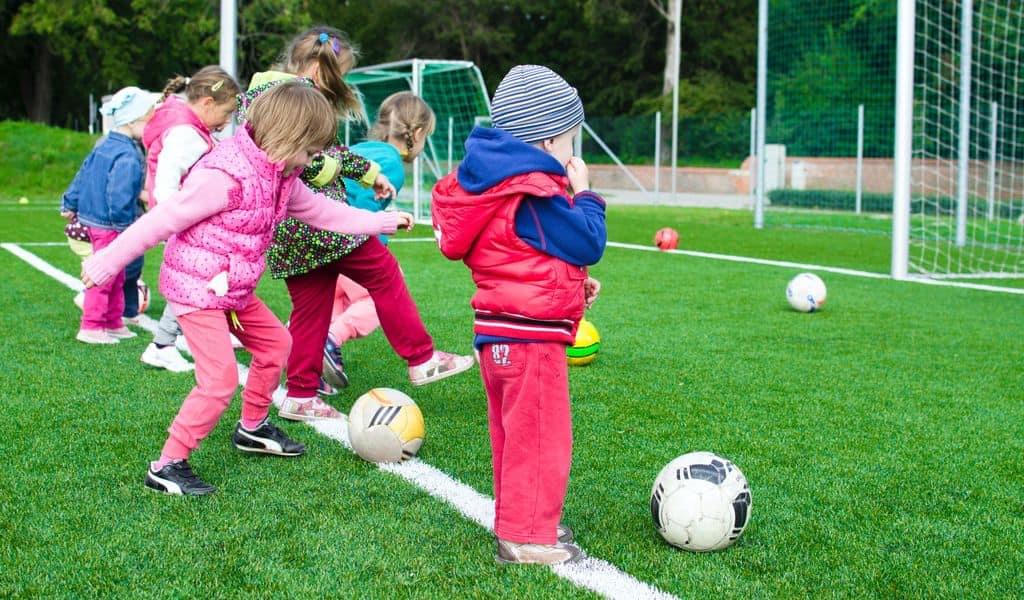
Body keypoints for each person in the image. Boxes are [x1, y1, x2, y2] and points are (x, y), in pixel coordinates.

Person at [80, 82, 414, 496]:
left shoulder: (282, 174)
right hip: (197, 289)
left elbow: (320, 211)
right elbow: (161, 220)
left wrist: (379, 222)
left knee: (277, 345)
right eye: (310, 152)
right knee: (219, 380)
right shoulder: (223, 176)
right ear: (288, 138)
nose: (313, 162)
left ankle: (252, 428)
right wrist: (106, 262)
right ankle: (166, 465)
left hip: (233, 289)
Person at [240, 26, 473, 421]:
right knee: (384, 274)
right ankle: (421, 358)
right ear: (318, 68)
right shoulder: (293, 97)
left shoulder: (267, 91)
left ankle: (299, 394)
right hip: (320, 224)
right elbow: (305, 160)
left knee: (311, 310)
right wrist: (343, 178)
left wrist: (369, 174)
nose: (340, 84)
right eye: (339, 75)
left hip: (289, 232)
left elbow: (329, 150)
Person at [431, 65, 607, 565]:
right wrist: (587, 194)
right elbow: (587, 240)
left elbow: (520, 255)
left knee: (514, 436)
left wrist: (572, 286)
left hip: (501, 333)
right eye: (572, 139)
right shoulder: (533, 191)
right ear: (548, 139)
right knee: (540, 437)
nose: (574, 152)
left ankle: (521, 520)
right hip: (529, 341)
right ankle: (527, 537)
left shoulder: (496, 186)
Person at [321, 91, 437, 390]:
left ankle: (302, 352)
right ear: (419, 133)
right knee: (378, 296)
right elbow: (362, 205)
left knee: (331, 302)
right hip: (349, 242)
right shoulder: (393, 165)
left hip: (320, 239)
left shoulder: (361, 148)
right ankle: (331, 341)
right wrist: (380, 229)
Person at [138, 66, 241, 373]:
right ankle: (162, 344)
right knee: (195, 281)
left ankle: (185, 337)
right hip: (184, 222)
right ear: (207, 103)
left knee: (210, 276)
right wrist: (178, 220)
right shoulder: (186, 134)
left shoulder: (190, 128)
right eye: (226, 113)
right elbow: (167, 183)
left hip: (187, 220)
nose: (226, 123)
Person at [61, 86, 160, 344]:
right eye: (148, 120)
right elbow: (119, 194)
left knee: (116, 273)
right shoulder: (128, 154)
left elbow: (82, 173)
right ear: (133, 121)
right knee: (105, 274)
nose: (150, 126)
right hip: (111, 224)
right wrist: (125, 227)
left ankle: (113, 322)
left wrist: (70, 201)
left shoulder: (104, 143)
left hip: (98, 220)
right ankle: (92, 325)